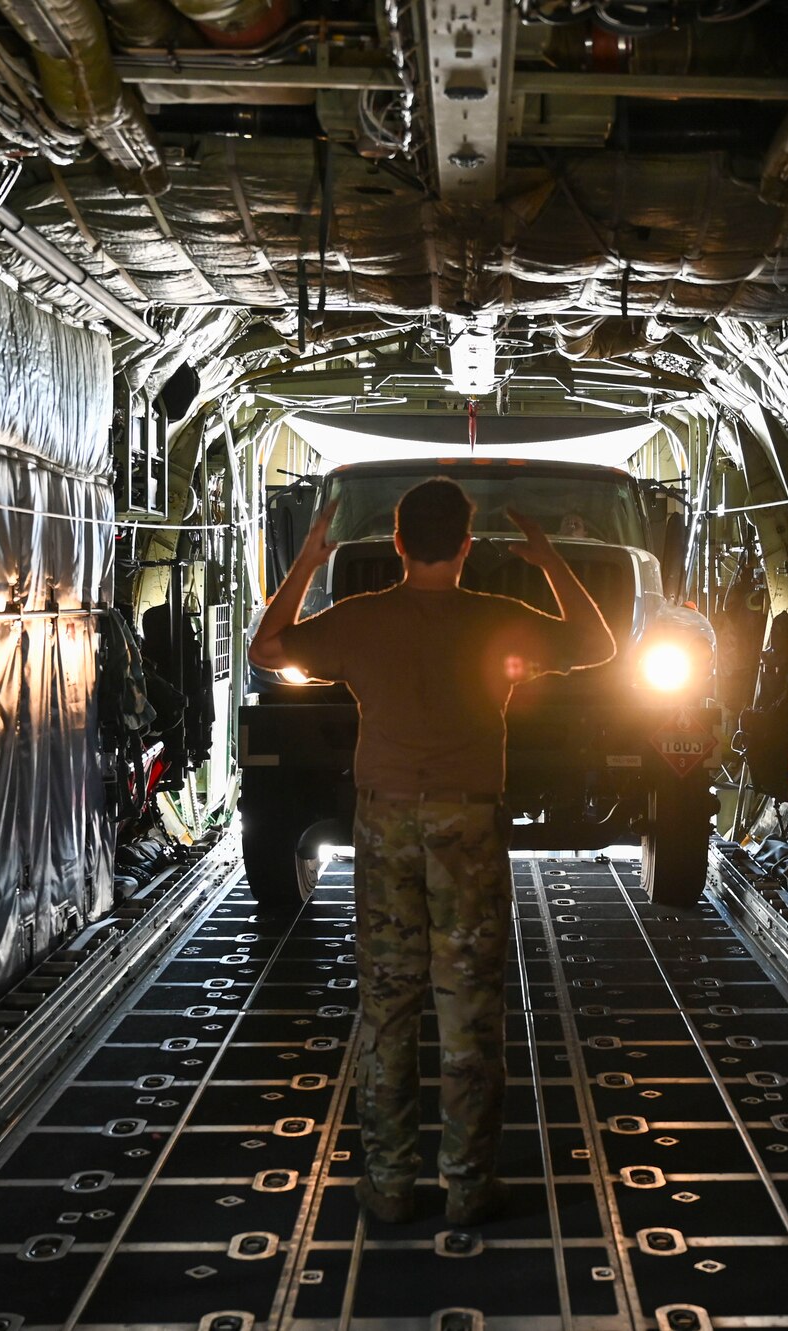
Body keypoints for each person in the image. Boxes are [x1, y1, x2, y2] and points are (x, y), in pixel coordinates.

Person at [248, 477, 615, 1227]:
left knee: (387, 1006)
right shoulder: (497, 619)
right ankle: (469, 1185)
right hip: (469, 829)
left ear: (400, 544)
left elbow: (266, 647)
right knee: (470, 1008)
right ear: (468, 547)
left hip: (384, 827)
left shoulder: (360, 619)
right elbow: (598, 643)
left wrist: (308, 563)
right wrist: (548, 560)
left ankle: (387, 1183)